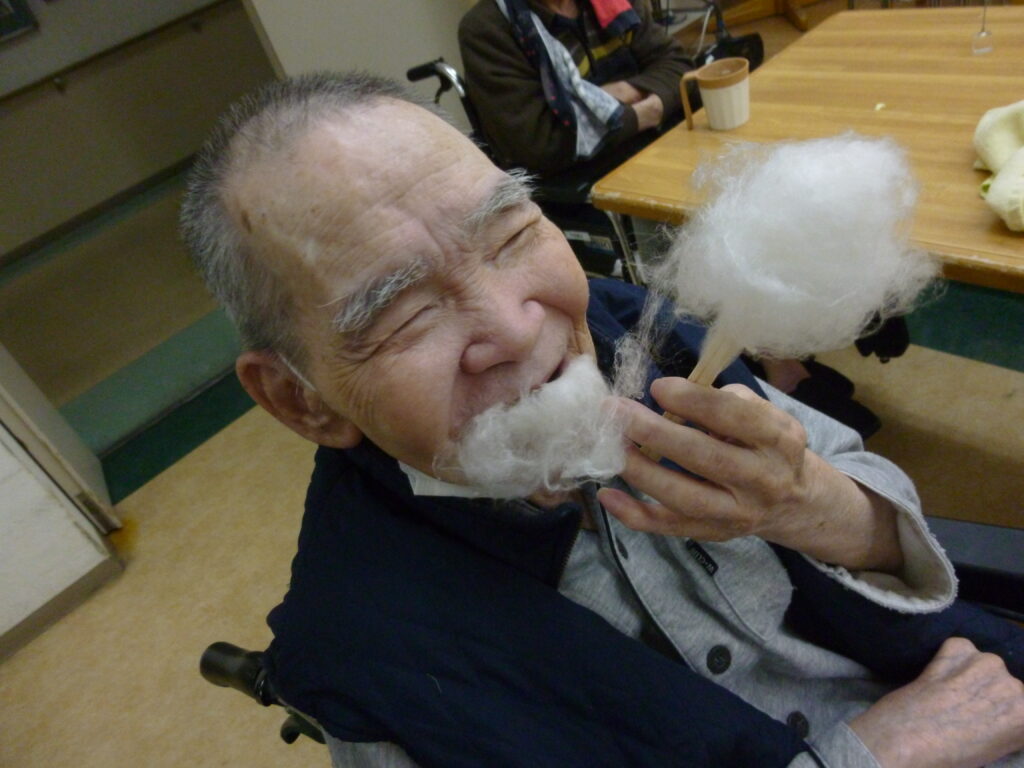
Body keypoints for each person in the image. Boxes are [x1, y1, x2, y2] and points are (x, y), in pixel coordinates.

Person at [179, 71, 1024, 768]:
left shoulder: (641, 332)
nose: (518, 328)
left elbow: (872, 504)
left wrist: (815, 503)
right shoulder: (367, 652)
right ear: (301, 399)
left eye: (510, 233)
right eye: (403, 313)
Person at [458, 0, 694, 176]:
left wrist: (620, 93)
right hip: (586, 181)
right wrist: (642, 115)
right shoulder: (487, 29)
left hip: (659, 144)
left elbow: (679, 66)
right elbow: (538, 144)